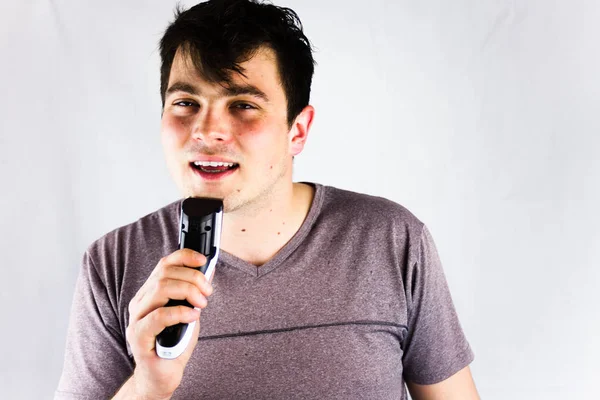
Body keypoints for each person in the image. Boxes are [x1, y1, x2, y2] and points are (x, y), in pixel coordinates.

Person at [55, 0, 479, 399]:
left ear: (297, 130)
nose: (206, 131)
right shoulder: (113, 263)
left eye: (242, 104)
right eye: (185, 102)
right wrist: (147, 386)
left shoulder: (392, 239)